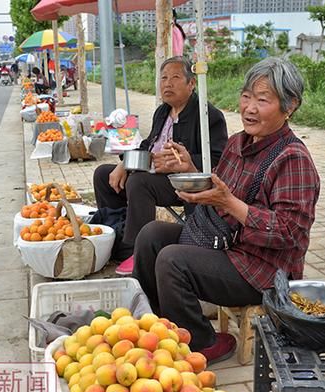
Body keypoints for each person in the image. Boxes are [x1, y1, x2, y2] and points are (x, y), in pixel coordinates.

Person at [132, 57, 321, 364]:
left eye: (263, 100)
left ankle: (203, 343)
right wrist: (190, 169)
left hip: (262, 268)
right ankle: (158, 324)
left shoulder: (292, 159)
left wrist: (228, 203)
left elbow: (289, 233)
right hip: (224, 241)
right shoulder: (238, 143)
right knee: (151, 235)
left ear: (290, 107)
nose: (250, 108)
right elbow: (220, 186)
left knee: (172, 261)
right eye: (246, 96)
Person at [93, 56, 228, 275]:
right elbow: (148, 144)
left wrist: (183, 162)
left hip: (185, 182)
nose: (167, 83)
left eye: (175, 77)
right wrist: (125, 164)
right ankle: (117, 232)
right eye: (163, 78)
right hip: (154, 172)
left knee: (139, 182)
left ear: (191, 84)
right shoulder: (162, 111)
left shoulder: (208, 115)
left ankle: (136, 250)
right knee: (103, 174)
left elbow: (218, 159)